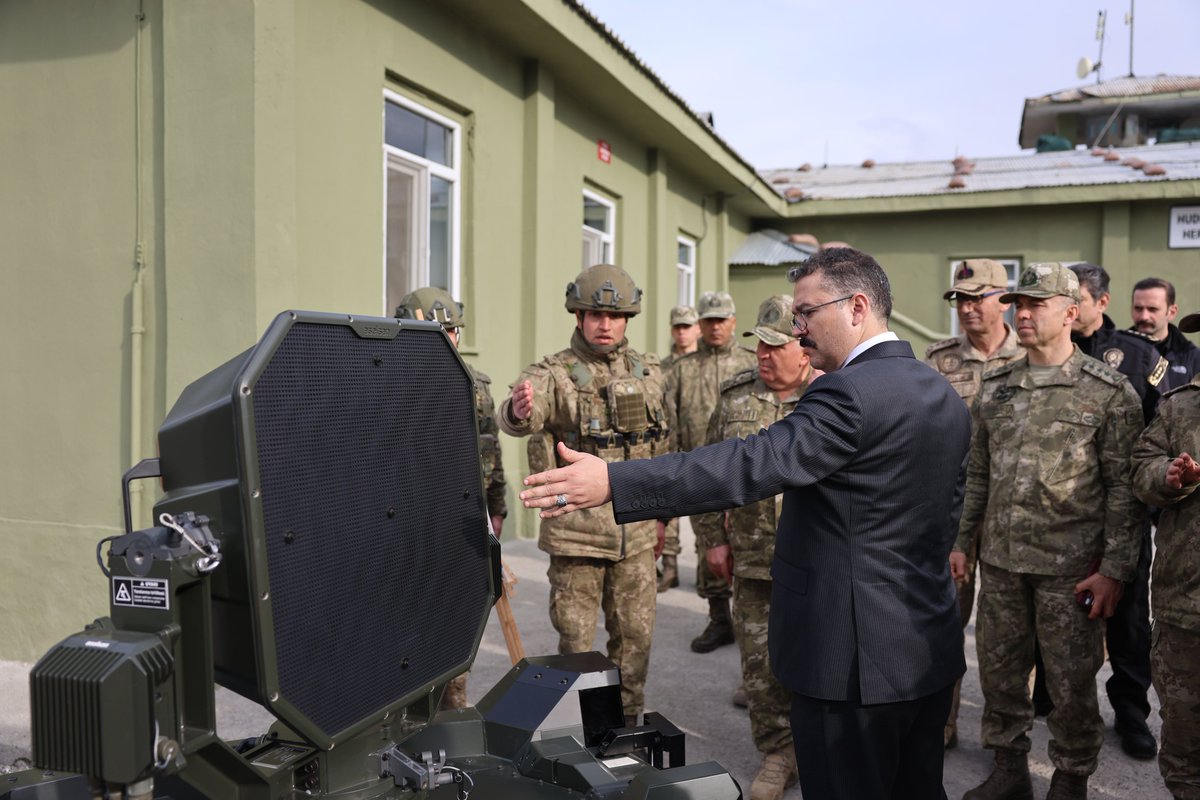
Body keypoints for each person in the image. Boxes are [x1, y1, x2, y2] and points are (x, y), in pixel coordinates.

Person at [521, 247, 972, 800]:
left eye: (807, 313)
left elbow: (750, 462)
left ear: (857, 307)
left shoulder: (848, 394)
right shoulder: (940, 392)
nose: (797, 330)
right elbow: (946, 513)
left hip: (849, 664)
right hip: (924, 652)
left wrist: (617, 482)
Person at [952, 262, 1143, 800]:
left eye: (1036, 304)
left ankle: (1071, 776)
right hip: (1003, 561)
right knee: (1000, 673)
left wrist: (1114, 570)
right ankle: (1009, 769)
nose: (1023, 313)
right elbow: (979, 473)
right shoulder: (998, 383)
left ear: (1071, 313)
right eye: (1019, 303)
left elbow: (1124, 492)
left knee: (1072, 682)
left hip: (1071, 570)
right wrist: (962, 542)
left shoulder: (1109, 392)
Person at [497, 263, 669, 725]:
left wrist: (662, 520)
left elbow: (664, 446)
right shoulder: (553, 373)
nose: (604, 324)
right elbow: (521, 417)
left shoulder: (651, 372)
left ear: (628, 318)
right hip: (577, 540)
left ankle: (627, 726)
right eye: (594, 314)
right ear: (577, 315)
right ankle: (586, 732)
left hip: (634, 535)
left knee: (635, 642)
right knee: (576, 648)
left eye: (613, 316)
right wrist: (517, 409)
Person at [691, 294, 819, 800]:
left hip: (818, 563)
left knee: (818, 661)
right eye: (759, 346)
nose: (763, 356)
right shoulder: (735, 397)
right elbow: (705, 473)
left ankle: (819, 746)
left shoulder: (832, 395)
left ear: (803, 348)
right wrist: (712, 540)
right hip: (752, 559)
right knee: (760, 664)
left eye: (775, 346)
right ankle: (778, 752)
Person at [1040, 261, 1164, 760]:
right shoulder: (1046, 354)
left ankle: (1131, 712)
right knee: (1054, 610)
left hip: (1121, 512)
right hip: (1063, 513)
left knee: (1128, 620)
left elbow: (1157, 431)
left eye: (1077, 296)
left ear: (1096, 301)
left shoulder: (1137, 355)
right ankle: (1050, 697)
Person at [925, 258, 1023, 750]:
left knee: (1007, 629)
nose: (965, 308)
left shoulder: (1031, 354)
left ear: (1002, 300)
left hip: (1014, 511)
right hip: (952, 508)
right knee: (944, 618)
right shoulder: (939, 361)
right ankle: (940, 721)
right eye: (959, 299)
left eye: (975, 297)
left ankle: (1008, 735)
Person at [395, 286, 507, 710]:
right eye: (432, 332)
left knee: (455, 626)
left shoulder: (475, 386)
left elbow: (489, 446)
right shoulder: (382, 377)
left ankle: (449, 717)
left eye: (451, 332)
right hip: (403, 526)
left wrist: (497, 509)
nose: (445, 341)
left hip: (459, 525)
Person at [1131, 309, 1200, 800]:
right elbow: (1142, 469)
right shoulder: (1180, 407)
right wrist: (1169, 478)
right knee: (1182, 742)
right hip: (1185, 607)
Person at [664, 291, 756, 651]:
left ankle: (756, 626)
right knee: (709, 550)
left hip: (747, 471)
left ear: (733, 321)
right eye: (709, 320)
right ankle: (720, 619)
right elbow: (670, 426)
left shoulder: (750, 363)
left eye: (722, 319)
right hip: (700, 473)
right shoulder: (682, 370)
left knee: (753, 551)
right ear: (700, 324)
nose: (716, 327)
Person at [657, 304, 699, 592]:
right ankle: (669, 567)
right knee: (666, 505)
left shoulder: (703, 363)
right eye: (678, 327)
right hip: (671, 443)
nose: (682, 332)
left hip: (699, 442)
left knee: (705, 511)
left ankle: (712, 573)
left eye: (687, 326)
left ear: (697, 328)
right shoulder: (663, 367)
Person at [1130, 277, 1200, 391]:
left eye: (1152, 309)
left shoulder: (1194, 358)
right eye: (1138, 308)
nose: (1144, 317)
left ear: (1172, 312)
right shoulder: (1117, 351)